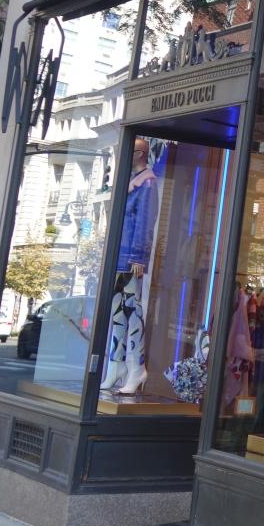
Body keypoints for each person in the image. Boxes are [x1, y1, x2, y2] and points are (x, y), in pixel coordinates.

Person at [101, 137, 158, 395]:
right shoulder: (132, 182)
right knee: (117, 314)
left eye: (129, 151)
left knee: (134, 314)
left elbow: (146, 222)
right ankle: (116, 365)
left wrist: (139, 257)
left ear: (139, 154)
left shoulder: (147, 183)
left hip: (130, 259)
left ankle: (137, 367)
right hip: (120, 256)